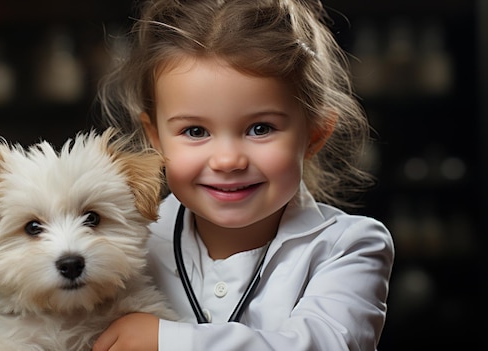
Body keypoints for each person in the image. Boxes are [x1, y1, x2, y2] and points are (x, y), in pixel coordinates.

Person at [91, 0, 394, 350]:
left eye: (260, 128)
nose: (227, 160)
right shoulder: (133, 243)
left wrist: (168, 340)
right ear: (155, 138)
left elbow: (326, 344)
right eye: (194, 131)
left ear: (314, 135)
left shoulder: (348, 246)